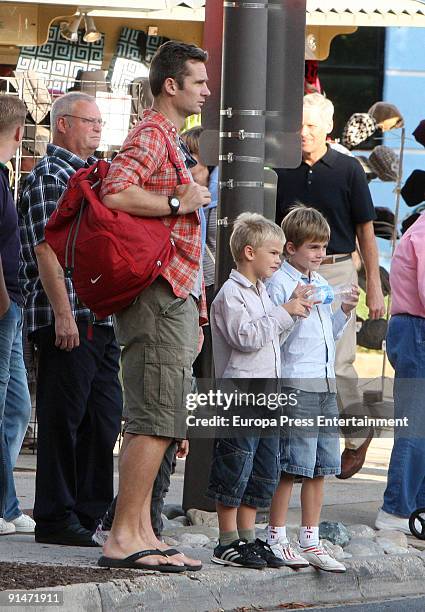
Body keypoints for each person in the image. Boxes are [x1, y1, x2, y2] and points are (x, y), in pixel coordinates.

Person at [97, 41, 211, 571]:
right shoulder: (149, 133)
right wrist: (175, 201)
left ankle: (142, 531)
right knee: (153, 419)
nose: (208, 91)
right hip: (158, 295)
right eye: (199, 82)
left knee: (164, 417)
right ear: (171, 85)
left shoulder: (169, 136)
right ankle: (124, 535)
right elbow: (115, 191)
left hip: (175, 294)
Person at [19, 92, 123, 546]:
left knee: (104, 416)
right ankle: (57, 517)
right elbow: (46, 248)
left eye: (101, 122)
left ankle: (90, 512)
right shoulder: (51, 175)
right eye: (90, 120)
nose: (98, 128)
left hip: (98, 315)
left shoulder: (88, 175)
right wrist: (63, 313)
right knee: (64, 419)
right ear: (63, 124)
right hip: (67, 315)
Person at [275, 93, 385, 479]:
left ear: (328, 129)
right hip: (289, 274)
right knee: (294, 362)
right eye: (299, 125)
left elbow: (366, 232)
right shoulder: (281, 166)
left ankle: (356, 435)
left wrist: (373, 284)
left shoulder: (348, 169)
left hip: (338, 271)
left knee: (338, 364)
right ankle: (297, 444)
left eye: (310, 126)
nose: (303, 133)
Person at [207, 212, 312, 569]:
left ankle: (248, 537)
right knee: (235, 463)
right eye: (274, 253)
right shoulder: (230, 294)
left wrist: (292, 311)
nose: (280, 260)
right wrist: (284, 312)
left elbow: (270, 337)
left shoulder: (263, 293)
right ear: (249, 252)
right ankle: (226, 540)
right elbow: (247, 337)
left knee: (263, 467)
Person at [266, 205, 359, 572]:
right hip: (297, 383)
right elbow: (277, 339)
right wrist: (295, 307)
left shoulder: (319, 282)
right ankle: (275, 536)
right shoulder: (281, 284)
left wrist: (344, 311)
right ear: (291, 248)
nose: (320, 254)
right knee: (292, 464)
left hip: (323, 381)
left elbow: (328, 336)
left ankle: (310, 537)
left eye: (323, 247)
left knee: (321, 464)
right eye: (313, 248)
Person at [375, 212, 425, 534]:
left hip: (412, 328)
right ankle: (397, 510)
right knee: (416, 425)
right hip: (417, 329)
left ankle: (414, 510)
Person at [0, 94, 34, 536]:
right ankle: (4, 506)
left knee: (16, 407)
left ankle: (5, 502)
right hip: (5, 302)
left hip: (13, 302)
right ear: (18, 132)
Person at [180, 125, 218, 379]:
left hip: (214, 285)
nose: (184, 164)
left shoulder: (222, 198)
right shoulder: (184, 196)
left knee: (209, 360)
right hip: (191, 285)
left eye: (190, 159)